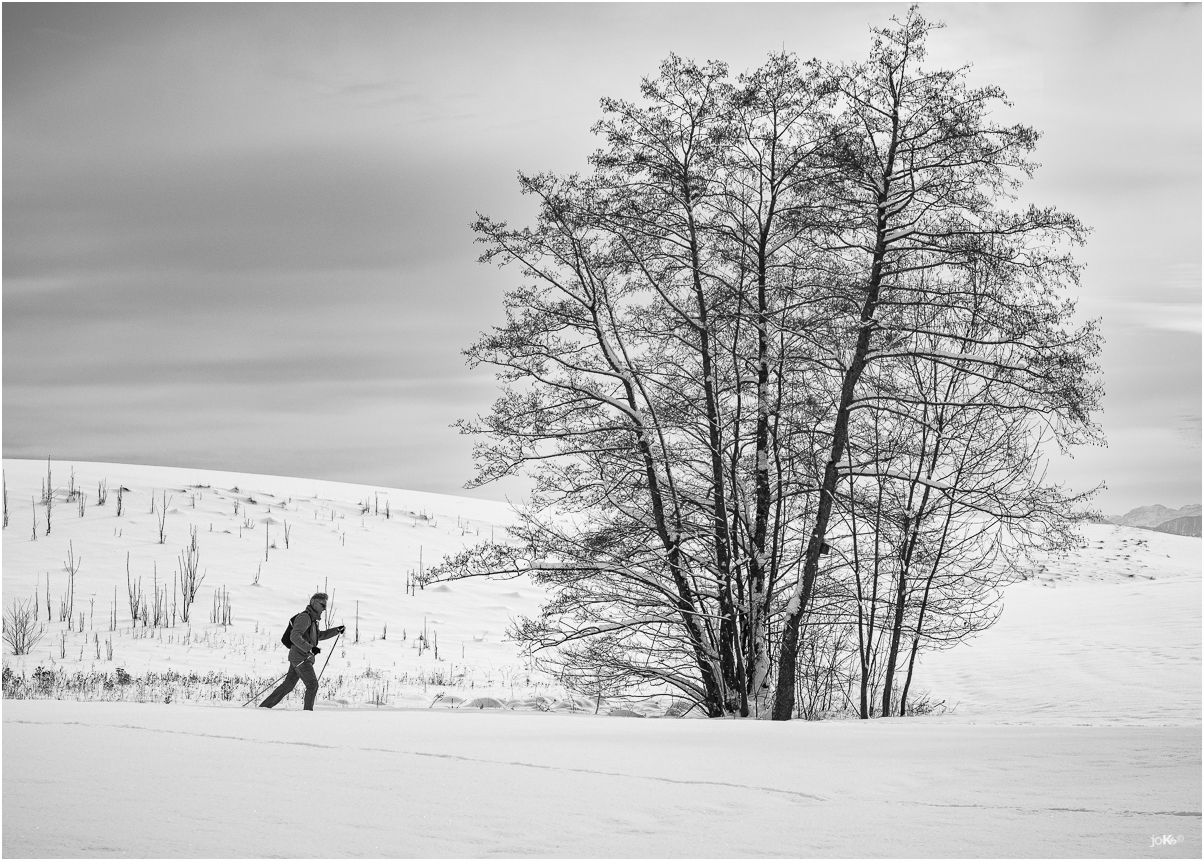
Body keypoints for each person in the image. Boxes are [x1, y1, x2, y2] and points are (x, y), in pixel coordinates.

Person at [259, 592, 344, 710]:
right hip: (301, 657)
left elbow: (318, 635)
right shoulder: (305, 617)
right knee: (312, 684)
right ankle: (307, 713)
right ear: (314, 603)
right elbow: (294, 636)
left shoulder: (312, 620)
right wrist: (310, 648)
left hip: (299, 657)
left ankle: (264, 707)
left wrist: (336, 630)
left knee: (288, 685)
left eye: (325, 606)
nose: (324, 609)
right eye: (323, 605)